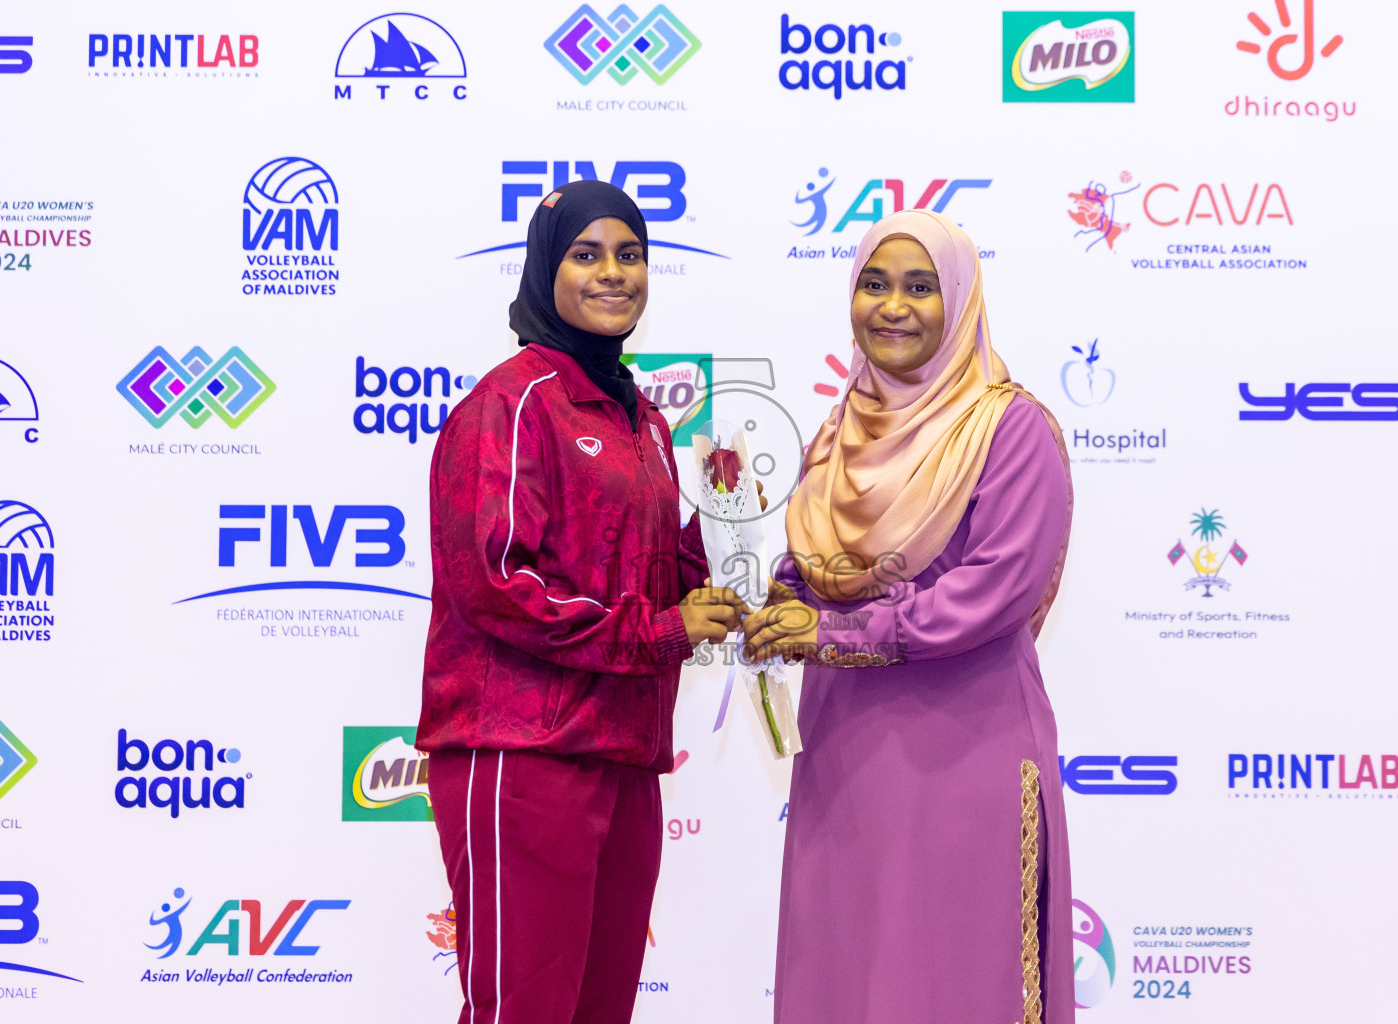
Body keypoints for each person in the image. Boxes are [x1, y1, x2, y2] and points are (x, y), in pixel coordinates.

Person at [418, 179, 749, 1024]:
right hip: (525, 750)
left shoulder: (647, 420)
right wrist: (661, 629)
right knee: (522, 1011)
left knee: (599, 1011)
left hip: (626, 751)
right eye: (587, 254)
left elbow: (656, 580)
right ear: (545, 269)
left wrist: (729, 544)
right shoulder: (514, 401)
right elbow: (496, 581)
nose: (614, 274)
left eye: (630, 255)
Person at [743, 210, 1076, 1024]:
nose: (893, 306)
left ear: (959, 301)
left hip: (965, 757)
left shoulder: (1008, 427)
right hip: (845, 762)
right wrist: (789, 602)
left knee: (957, 982)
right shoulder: (842, 427)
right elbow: (830, 569)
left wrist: (832, 634)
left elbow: (992, 591)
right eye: (874, 284)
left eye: (921, 287)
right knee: (847, 979)